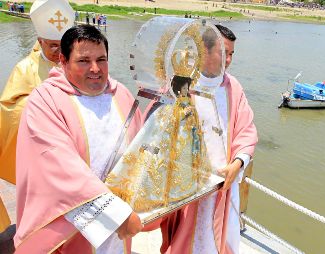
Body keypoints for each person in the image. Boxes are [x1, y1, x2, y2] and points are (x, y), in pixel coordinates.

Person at [14, 25, 145, 253]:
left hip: (121, 215)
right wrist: (115, 213)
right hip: (72, 224)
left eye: (101, 60)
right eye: (84, 61)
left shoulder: (120, 93)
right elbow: (59, 164)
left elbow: (141, 148)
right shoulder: (45, 100)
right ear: (63, 61)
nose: (95, 69)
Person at [160, 24, 257, 254]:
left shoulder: (233, 87)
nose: (229, 60)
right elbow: (160, 128)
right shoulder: (180, 84)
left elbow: (247, 129)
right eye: (224, 52)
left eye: (232, 53)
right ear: (204, 50)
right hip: (188, 187)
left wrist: (239, 162)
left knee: (218, 243)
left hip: (224, 183)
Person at [0, 0, 75, 233]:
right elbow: (9, 111)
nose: (58, 52)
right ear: (39, 41)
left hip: (74, 147)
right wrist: (42, 109)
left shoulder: (79, 64)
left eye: (63, 45)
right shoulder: (26, 69)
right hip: (40, 150)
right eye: (52, 45)